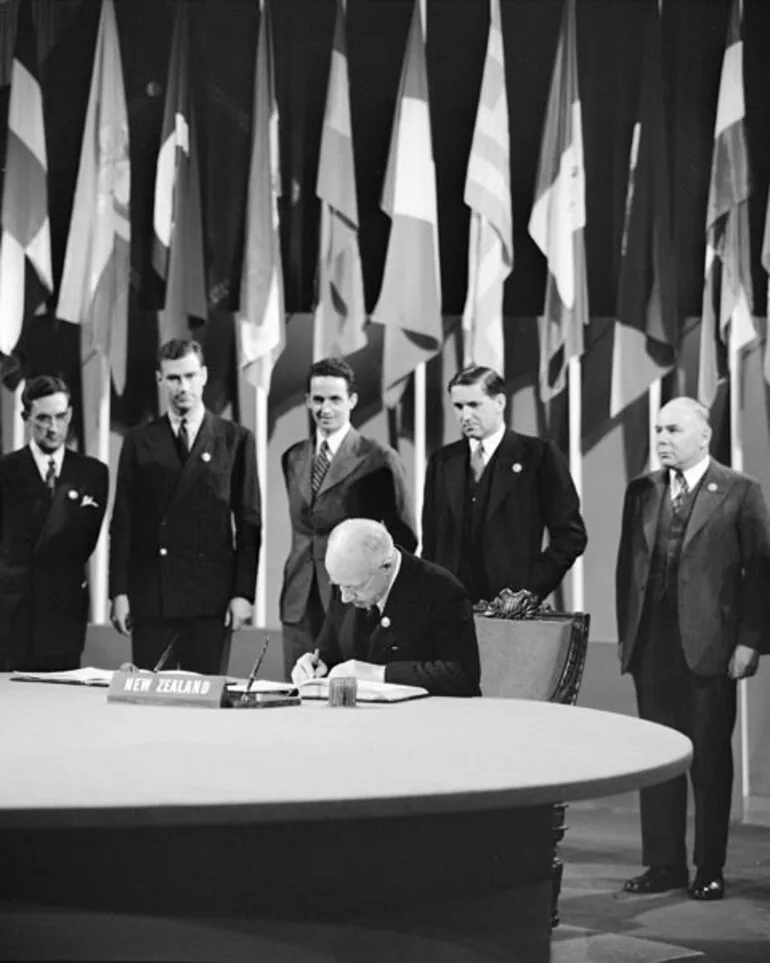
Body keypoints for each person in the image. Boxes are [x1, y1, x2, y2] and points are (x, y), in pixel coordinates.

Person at [616, 397, 770, 901]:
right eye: (658, 429)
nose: (662, 438)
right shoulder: (642, 490)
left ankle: (709, 866)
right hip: (651, 649)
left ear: (703, 435)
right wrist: (628, 642)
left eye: (673, 429)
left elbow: (760, 577)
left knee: (708, 764)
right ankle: (664, 864)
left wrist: (749, 642)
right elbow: (627, 571)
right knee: (656, 761)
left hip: (711, 650)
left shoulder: (742, 492)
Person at [109, 338, 261, 675]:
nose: (183, 387)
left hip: (211, 598)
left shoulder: (235, 439)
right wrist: (118, 591)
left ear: (204, 376)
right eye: (174, 378)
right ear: (160, 380)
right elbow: (123, 522)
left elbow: (249, 524)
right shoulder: (139, 440)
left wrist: (243, 593)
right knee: (150, 705)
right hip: (153, 596)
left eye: (190, 376)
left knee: (206, 706)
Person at [280, 357, 417, 679]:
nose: (325, 408)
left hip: (352, 598)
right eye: (318, 399)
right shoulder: (294, 457)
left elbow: (404, 537)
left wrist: (379, 594)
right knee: (297, 694)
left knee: (347, 697)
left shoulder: (378, 457)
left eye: (335, 399)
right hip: (299, 600)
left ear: (352, 401)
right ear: (307, 401)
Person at [421, 365, 586, 608]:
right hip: (450, 608)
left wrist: (529, 590)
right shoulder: (442, 461)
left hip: (511, 610)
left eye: (474, 405)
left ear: (499, 402)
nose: (465, 416)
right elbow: (432, 543)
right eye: (458, 406)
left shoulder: (538, 456)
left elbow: (571, 537)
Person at [291, 518, 480, 696]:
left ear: (386, 567)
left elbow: (462, 676)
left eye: (354, 587)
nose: (345, 598)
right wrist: (313, 666)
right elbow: (330, 653)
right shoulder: (348, 580)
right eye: (338, 585)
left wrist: (378, 674)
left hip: (423, 721)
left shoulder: (441, 588)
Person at [0, 375, 108, 672]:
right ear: (26, 418)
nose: (53, 427)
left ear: (70, 414)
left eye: (61, 417)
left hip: (63, 616)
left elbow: (84, 542)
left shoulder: (92, 474)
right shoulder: (6, 471)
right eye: (43, 419)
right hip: (12, 619)